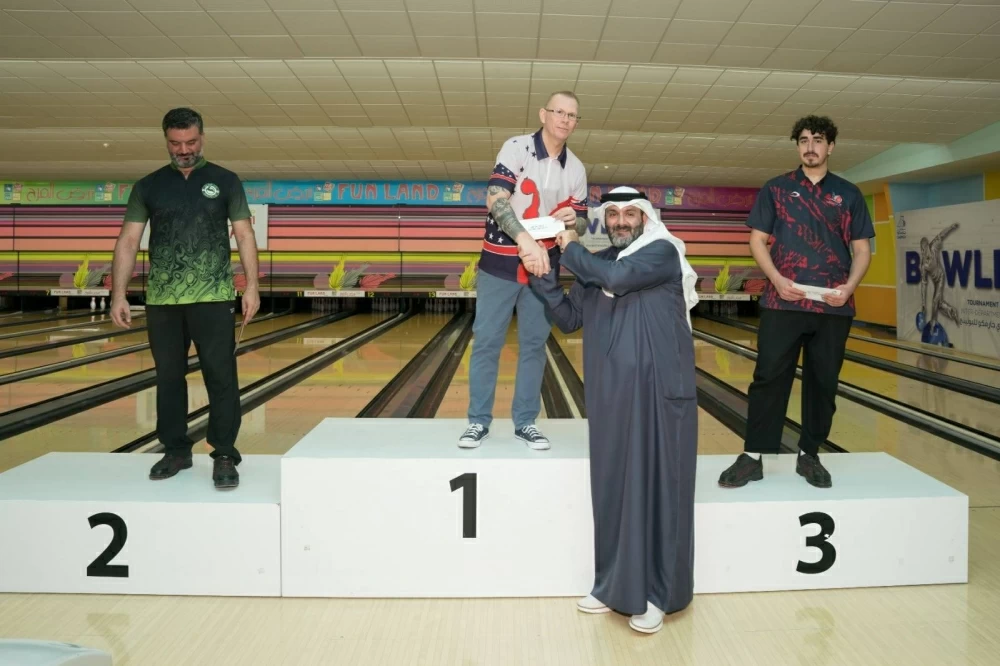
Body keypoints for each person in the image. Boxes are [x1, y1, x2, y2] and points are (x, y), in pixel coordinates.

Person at [527, 186, 700, 634]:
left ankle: (661, 594)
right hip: (612, 398)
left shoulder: (661, 251)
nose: (622, 221)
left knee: (663, 492)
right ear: (606, 220)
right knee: (614, 491)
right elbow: (568, 319)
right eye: (614, 215)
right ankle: (613, 586)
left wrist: (568, 243)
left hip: (662, 396)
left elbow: (619, 282)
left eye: (630, 213)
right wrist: (543, 273)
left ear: (644, 217)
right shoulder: (599, 265)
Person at [718, 115, 874, 490]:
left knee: (823, 383)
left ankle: (810, 454)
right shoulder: (776, 189)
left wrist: (850, 288)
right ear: (797, 147)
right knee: (768, 379)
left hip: (833, 307)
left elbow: (862, 249)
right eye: (803, 140)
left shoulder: (849, 194)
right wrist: (777, 279)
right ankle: (753, 455)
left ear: (830, 146)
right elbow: (757, 240)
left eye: (818, 140)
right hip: (782, 302)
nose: (810, 146)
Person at [109, 107, 259, 490]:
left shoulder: (225, 180)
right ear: (166, 141)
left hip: (213, 297)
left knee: (221, 376)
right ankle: (176, 450)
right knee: (169, 377)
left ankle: (224, 453)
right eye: (176, 143)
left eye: (191, 142)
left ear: (202, 138)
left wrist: (252, 287)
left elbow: (243, 234)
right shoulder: (149, 185)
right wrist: (118, 294)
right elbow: (127, 240)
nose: (184, 149)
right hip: (162, 300)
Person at [459, 91, 589, 450]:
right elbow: (496, 199)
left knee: (534, 345)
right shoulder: (516, 148)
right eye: (558, 112)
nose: (564, 119)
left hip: (544, 269)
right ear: (543, 114)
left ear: (576, 123)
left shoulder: (575, 168)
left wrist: (573, 221)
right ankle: (478, 422)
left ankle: (526, 422)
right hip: (499, 262)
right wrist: (524, 240)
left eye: (572, 115)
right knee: (487, 342)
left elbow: (582, 221)